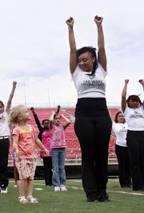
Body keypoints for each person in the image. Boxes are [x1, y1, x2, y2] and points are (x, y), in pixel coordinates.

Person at [66, 16, 112, 202]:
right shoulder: (76, 72)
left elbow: (101, 48)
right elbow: (71, 50)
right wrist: (70, 28)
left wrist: (99, 26)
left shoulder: (101, 69)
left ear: (93, 58)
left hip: (102, 113)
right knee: (88, 154)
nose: (82, 62)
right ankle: (91, 193)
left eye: (85, 59)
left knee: (101, 155)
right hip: (84, 113)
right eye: (80, 60)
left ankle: (102, 191)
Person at [9, 105, 49, 204]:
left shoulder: (31, 128)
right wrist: (16, 150)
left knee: (31, 177)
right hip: (22, 157)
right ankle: (22, 196)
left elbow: (36, 140)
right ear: (20, 117)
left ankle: (30, 195)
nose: (28, 113)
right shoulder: (17, 129)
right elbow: (14, 142)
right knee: (23, 177)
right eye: (26, 112)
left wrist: (43, 148)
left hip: (32, 156)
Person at [121, 79, 144, 191]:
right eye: (131, 100)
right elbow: (123, 97)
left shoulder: (142, 109)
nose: (134, 102)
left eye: (136, 100)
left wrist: (143, 84)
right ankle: (137, 185)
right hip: (132, 135)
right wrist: (126, 84)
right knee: (135, 161)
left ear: (139, 102)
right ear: (128, 102)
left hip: (143, 134)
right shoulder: (126, 111)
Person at [30, 107, 52, 186]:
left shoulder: (52, 130)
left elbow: (53, 120)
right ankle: (47, 183)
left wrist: (57, 111)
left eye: (47, 122)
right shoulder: (42, 130)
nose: (46, 123)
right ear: (43, 124)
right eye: (45, 122)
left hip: (53, 152)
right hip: (45, 152)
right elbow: (37, 122)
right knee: (47, 168)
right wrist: (33, 112)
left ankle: (53, 182)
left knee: (53, 168)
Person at [50, 112, 71, 192]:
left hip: (62, 148)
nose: (58, 120)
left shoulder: (62, 127)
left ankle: (62, 184)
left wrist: (63, 116)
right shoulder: (52, 127)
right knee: (55, 168)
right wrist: (53, 114)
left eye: (59, 119)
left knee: (61, 168)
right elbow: (50, 120)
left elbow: (69, 122)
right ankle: (56, 185)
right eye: (56, 119)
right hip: (54, 149)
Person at [112, 111, 131, 188]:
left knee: (128, 165)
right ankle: (123, 183)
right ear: (116, 117)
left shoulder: (127, 124)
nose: (121, 117)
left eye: (123, 116)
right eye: (119, 116)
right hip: (120, 146)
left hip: (129, 146)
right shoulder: (115, 124)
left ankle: (128, 181)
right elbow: (117, 131)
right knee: (122, 165)